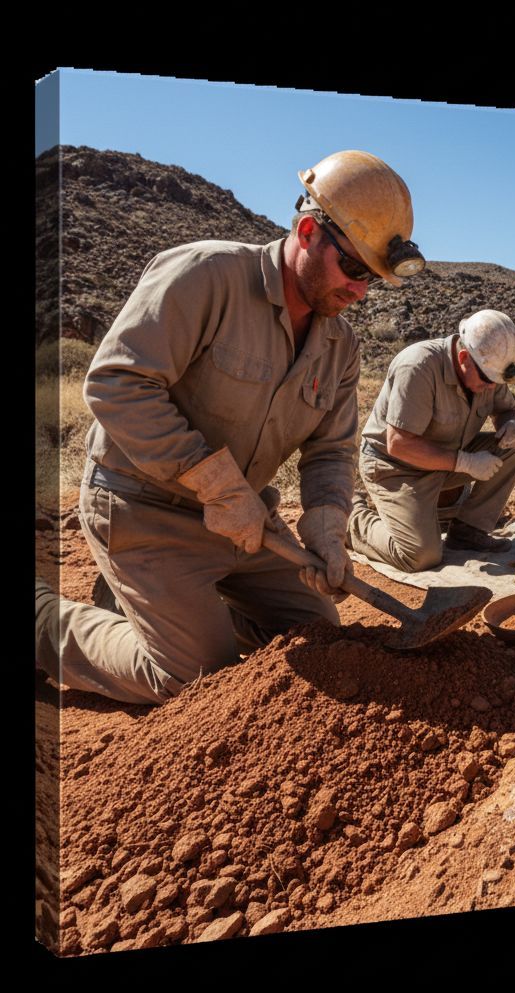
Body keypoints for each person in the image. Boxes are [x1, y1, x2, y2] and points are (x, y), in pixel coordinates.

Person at [35, 150, 425, 705]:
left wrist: (326, 523)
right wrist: (215, 485)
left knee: (316, 635)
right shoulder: (205, 275)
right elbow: (116, 384)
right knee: (193, 678)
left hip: (246, 525)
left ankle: (163, 608)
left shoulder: (340, 346)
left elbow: (330, 451)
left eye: (374, 279)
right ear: (310, 231)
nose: (361, 291)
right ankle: (46, 620)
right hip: (144, 510)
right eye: (356, 269)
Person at [348, 309, 515, 572]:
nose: (493, 387)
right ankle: (350, 516)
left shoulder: (487, 367)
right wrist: (465, 462)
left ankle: (469, 530)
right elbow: (398, 443)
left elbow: (505, 410)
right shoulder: (418, 366)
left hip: (446, 459)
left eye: (497, 381)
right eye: (488, 380)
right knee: (419, 556)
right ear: (464, 357)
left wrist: (512, 423)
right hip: (396, 468)